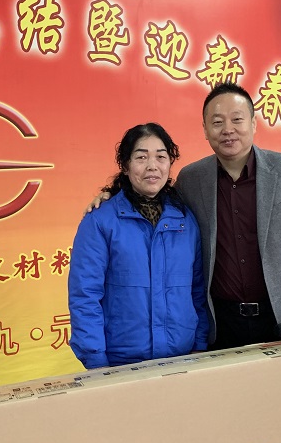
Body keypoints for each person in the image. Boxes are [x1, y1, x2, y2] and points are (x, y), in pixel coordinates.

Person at [86, 83, 281, 350]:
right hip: (220, 322)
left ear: (253, 123)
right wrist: (113, 196)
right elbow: (154, 198)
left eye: (237, 119)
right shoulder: (192, 179)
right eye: (217, 122)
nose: (228, 129)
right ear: (205, 130)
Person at [69, 123, 209, 369]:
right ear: (125, 166)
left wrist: (199, 344)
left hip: (183, 358)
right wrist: (96, 361)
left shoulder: (185, 220)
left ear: (170, 163)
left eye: (161, 157)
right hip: (122, 362)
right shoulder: (100, 221)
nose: (152, 166)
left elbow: (197, 291)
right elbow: (85, 296)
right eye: (141, 157)